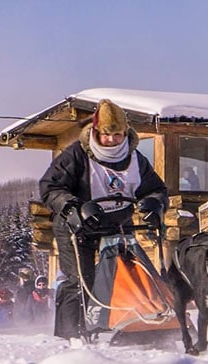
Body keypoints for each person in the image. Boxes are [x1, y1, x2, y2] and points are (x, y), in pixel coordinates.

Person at [40, 99, 169, 341]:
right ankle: (72, 335)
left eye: (117, 135)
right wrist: (72, 208)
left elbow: (156, 189)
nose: (111, 140)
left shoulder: (135, 158)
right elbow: (50, 187)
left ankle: (134, 323)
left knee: (134, 271)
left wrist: (156, 204)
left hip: (119, 224)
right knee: (80, 278)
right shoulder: (77, 155)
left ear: (126, 133)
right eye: (105, 135)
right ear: (96, 132)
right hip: (78, 225)